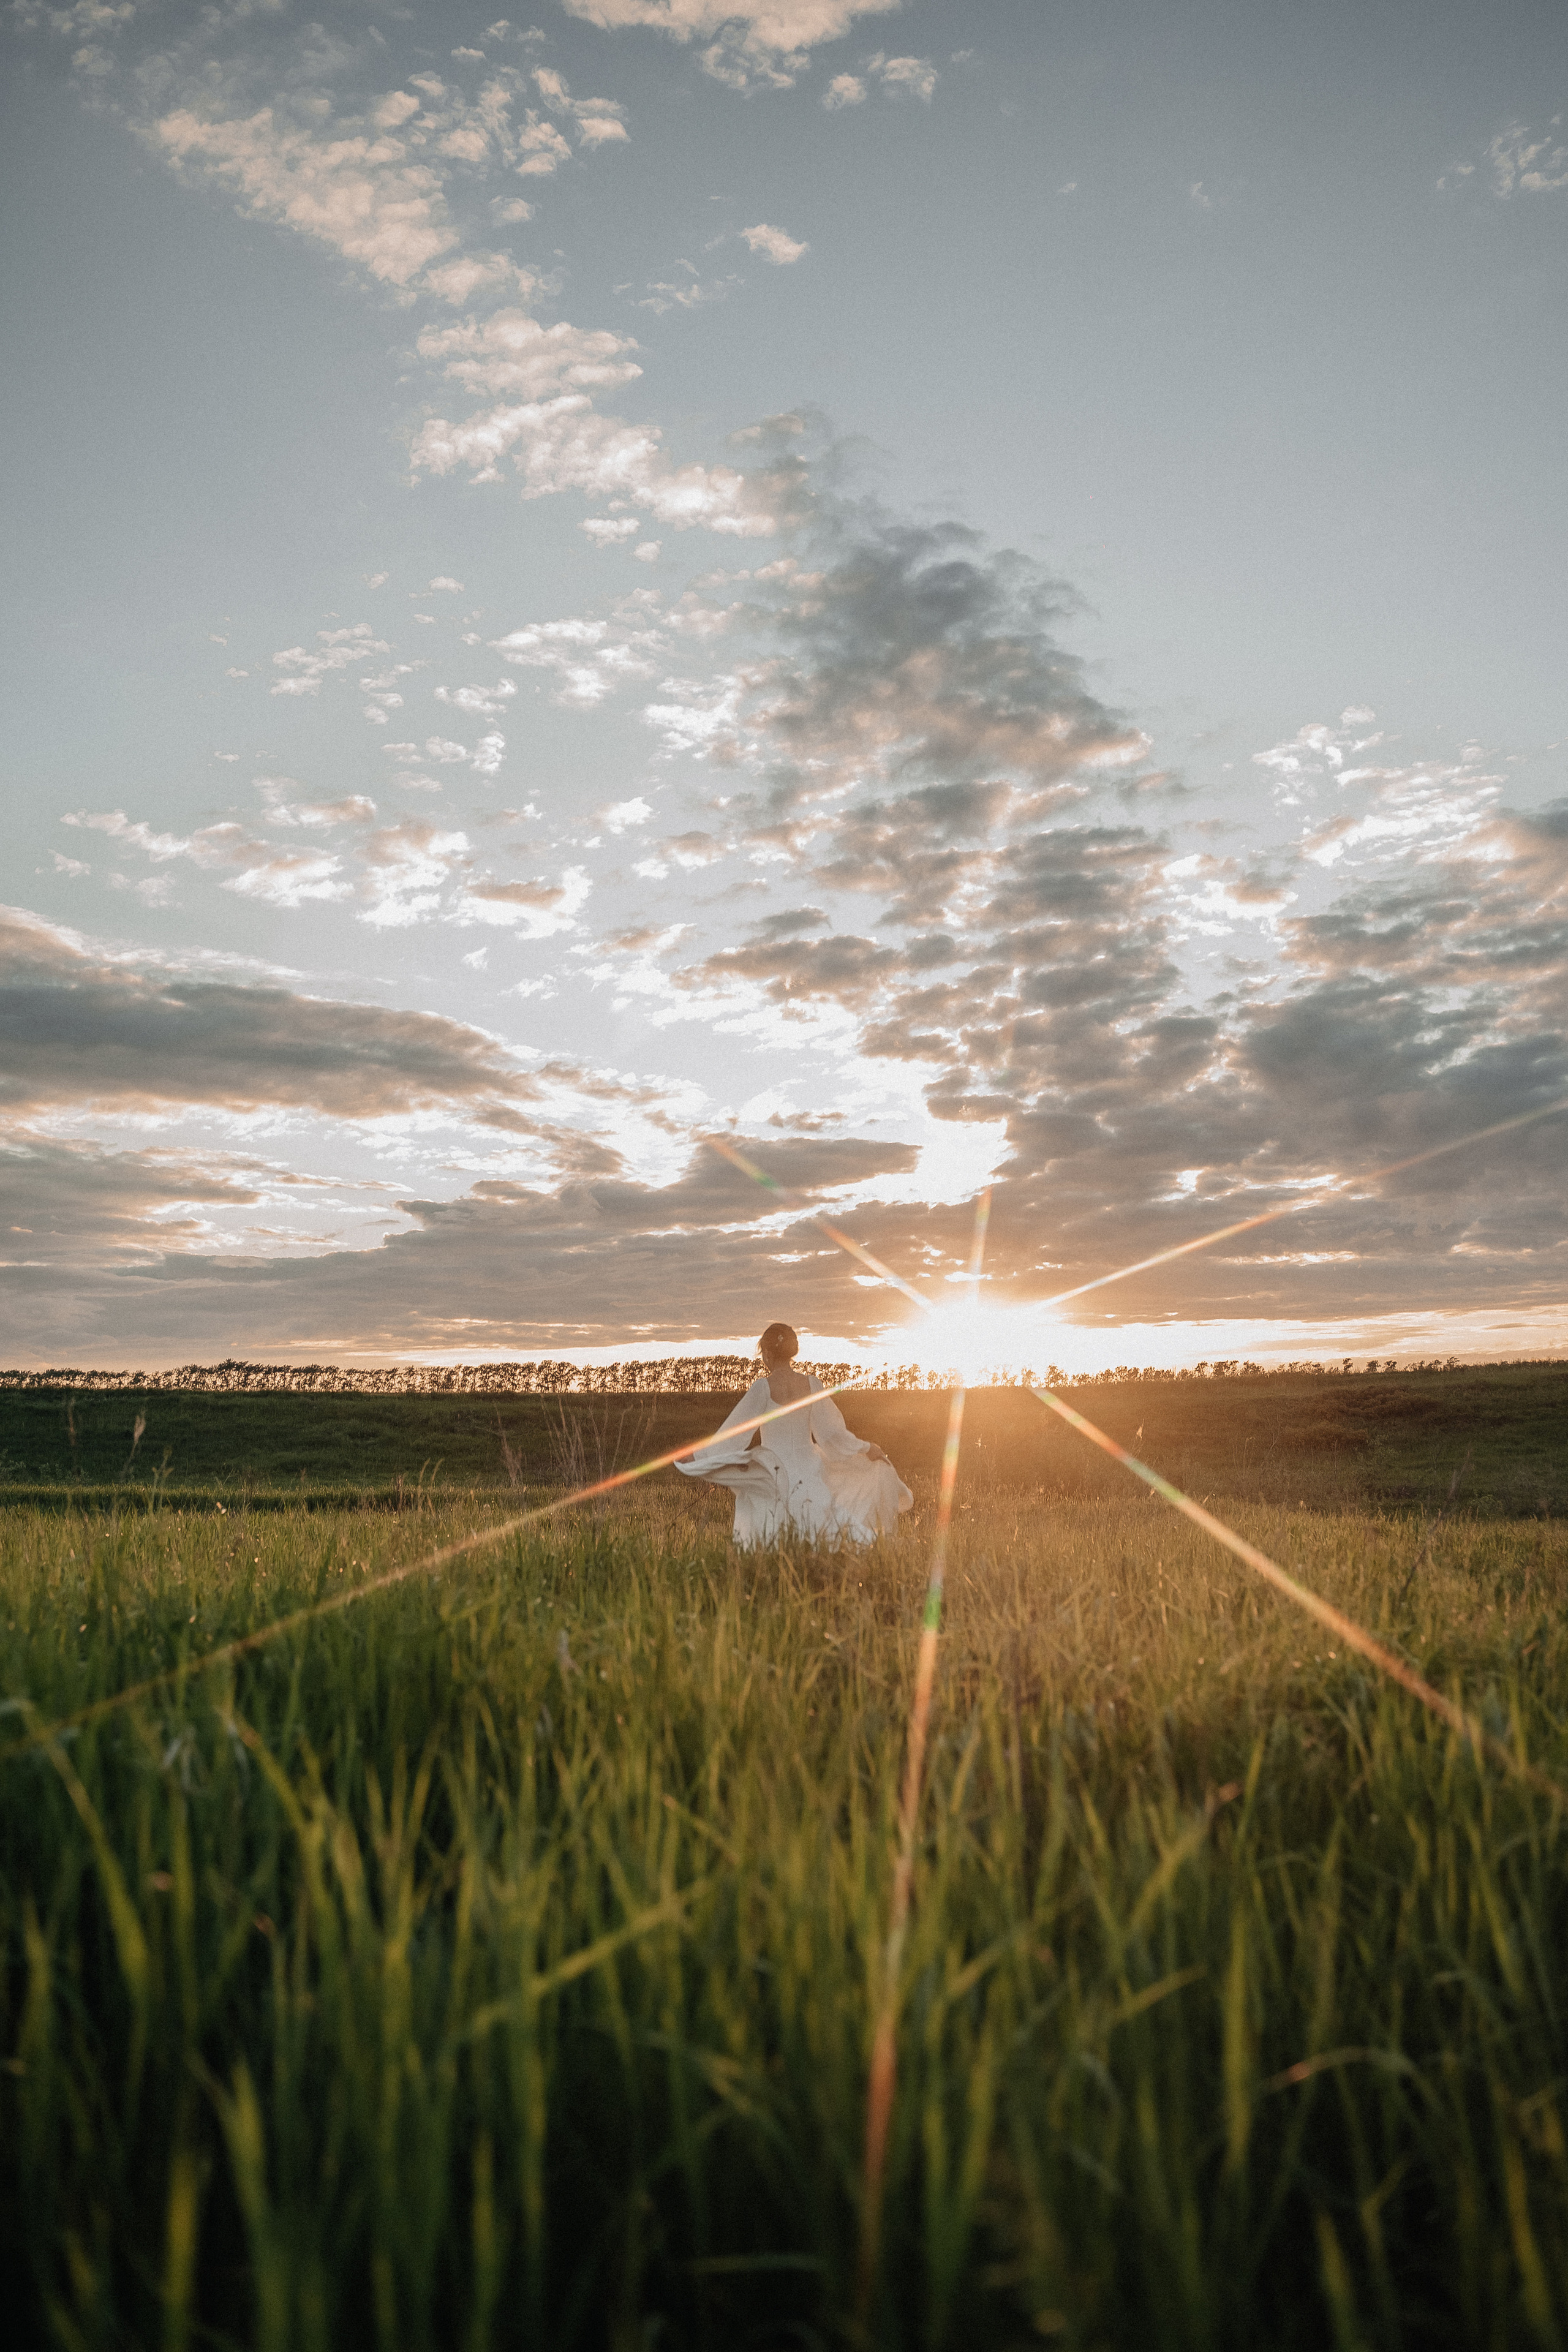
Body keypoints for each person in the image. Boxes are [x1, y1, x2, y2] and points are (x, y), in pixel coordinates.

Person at [676, 1321, 913, 1545]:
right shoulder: (812, 1384)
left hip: (773, 1469)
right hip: (809, 1465)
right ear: (792, 1352)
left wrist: (699, 1456)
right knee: (821, 1520)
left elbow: (735, 1433)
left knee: (771, 1521)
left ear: (767, 1354)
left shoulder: (763, 1387)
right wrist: (866, 1448)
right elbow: (831, 1435)